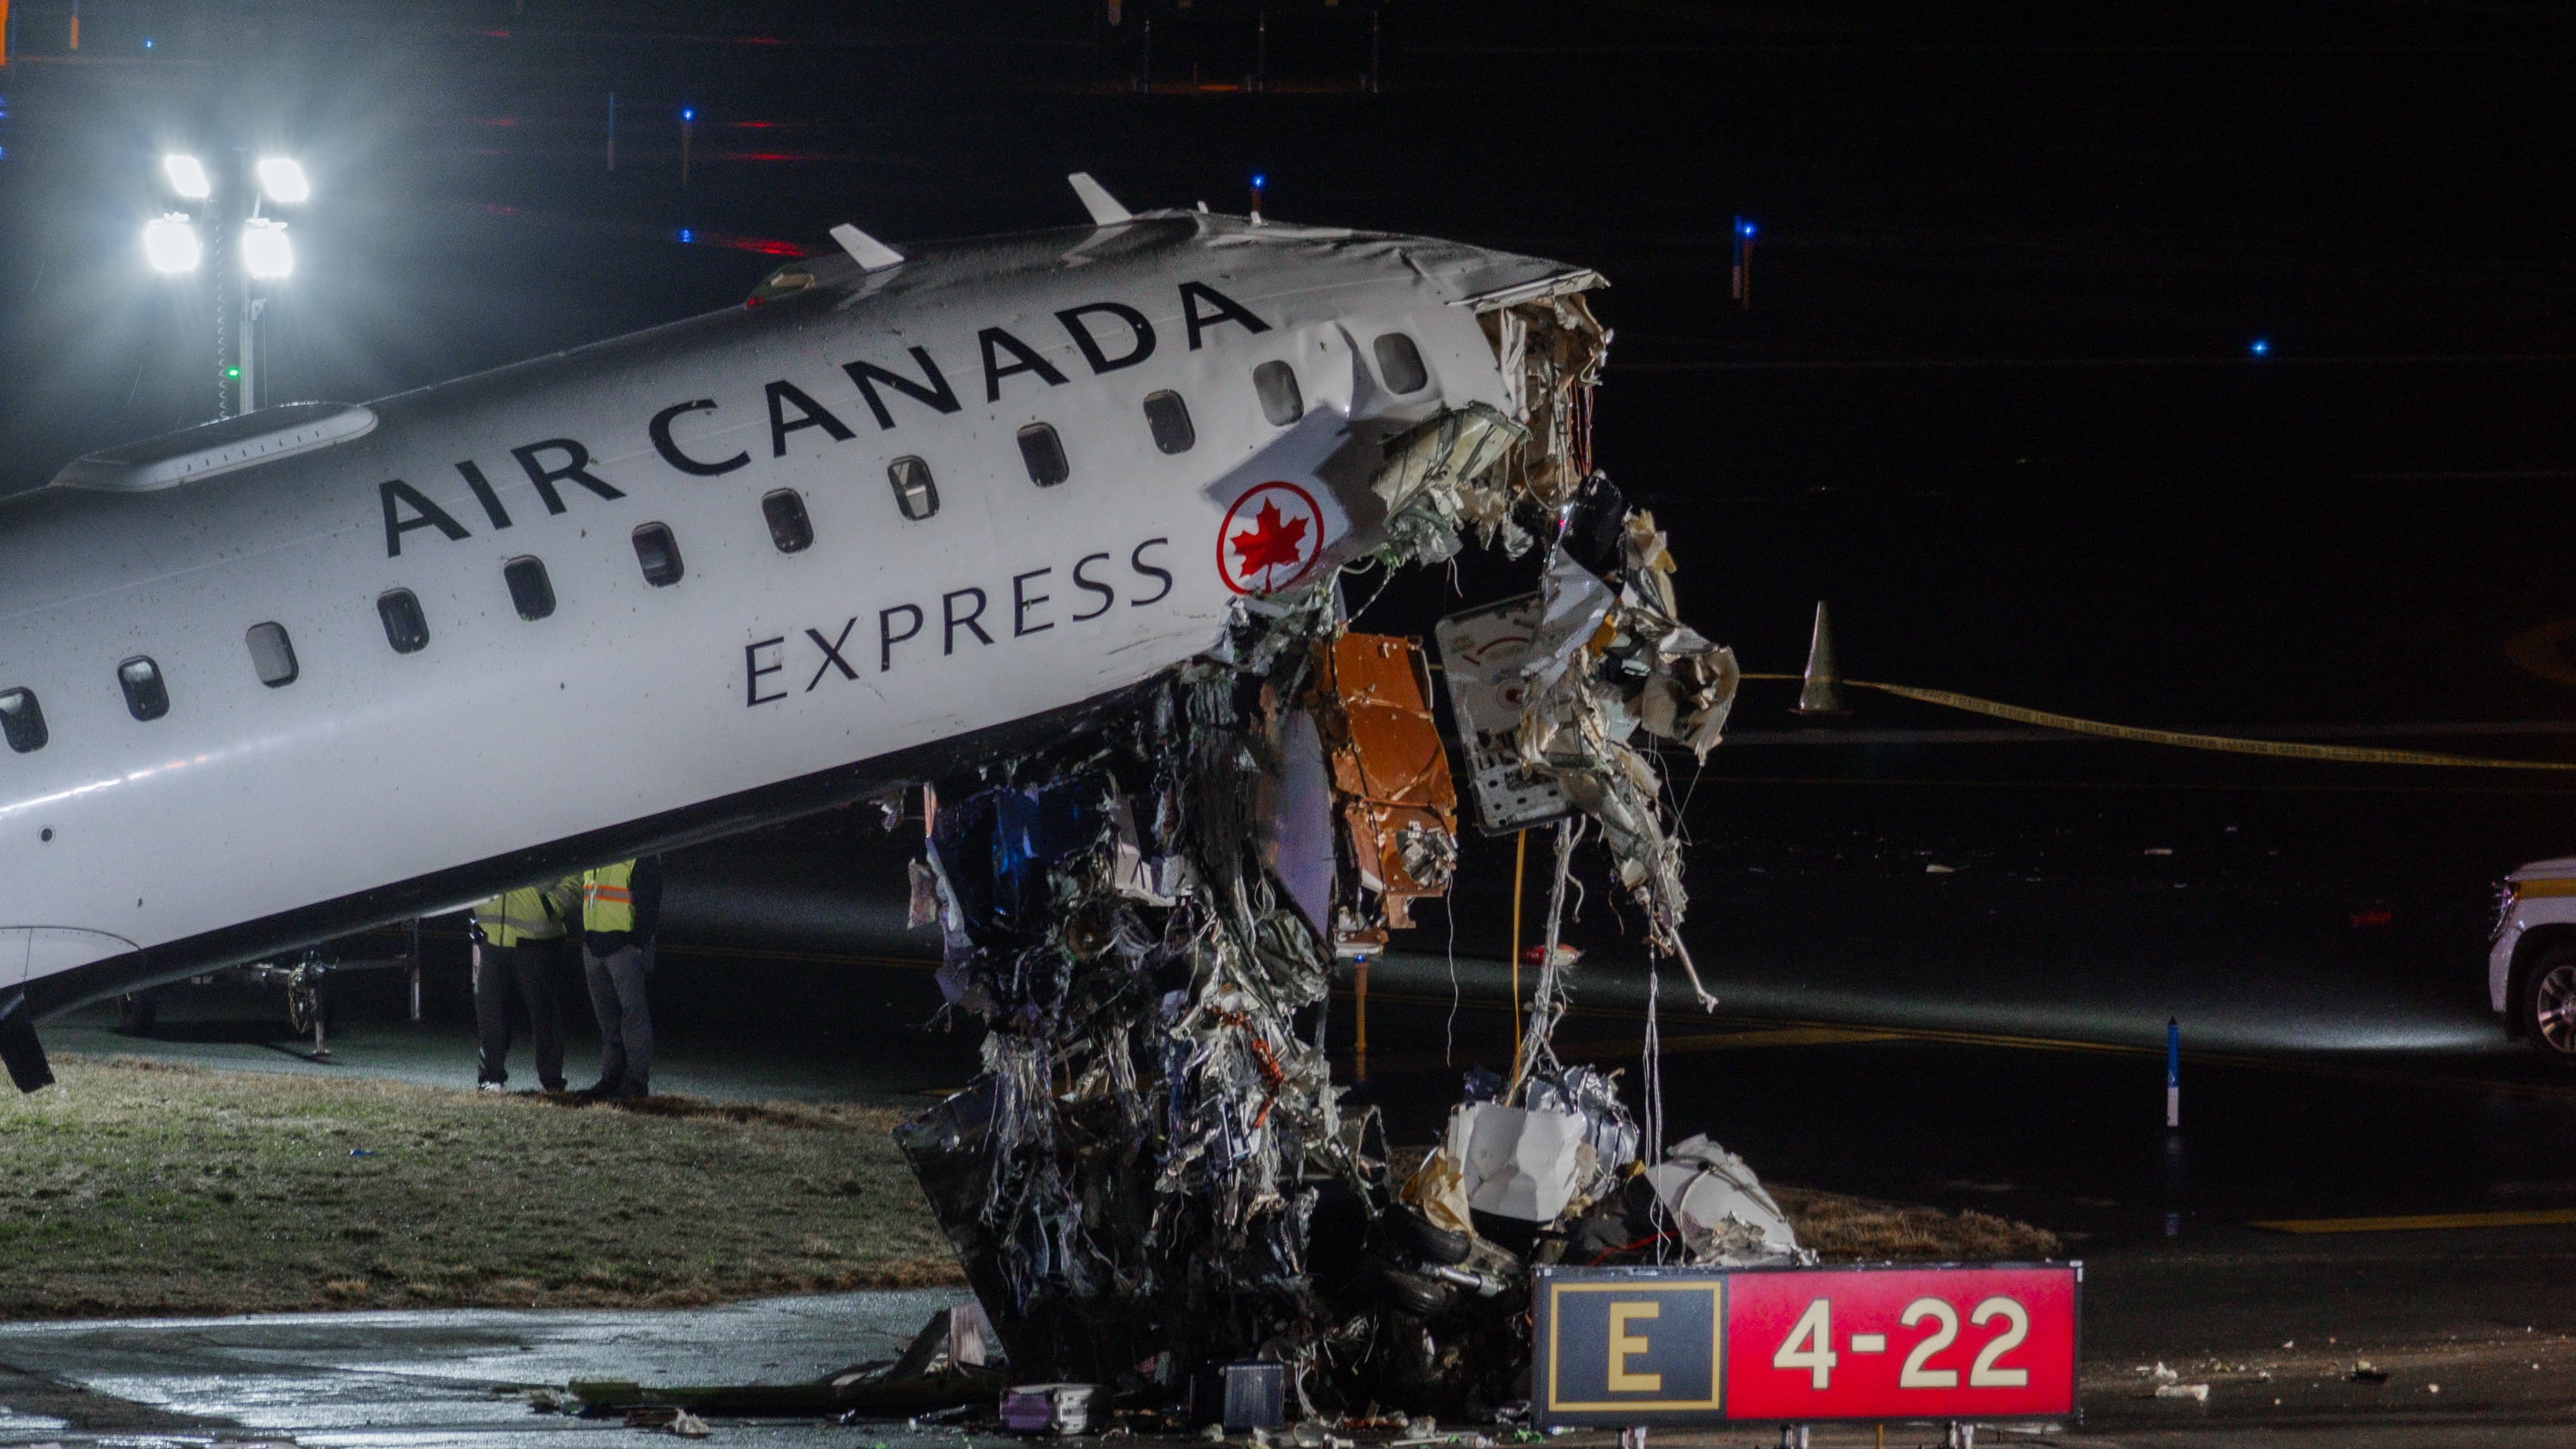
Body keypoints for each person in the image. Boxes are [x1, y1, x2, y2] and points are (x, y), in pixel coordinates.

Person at [470, 875, 579, 1093]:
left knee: (545, 1015)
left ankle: (552, 1081)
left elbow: (575, 873)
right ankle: (491, 1077)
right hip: (491, 936)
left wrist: (549, 907)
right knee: (490, 1012)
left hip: (538, 940)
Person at [578, 855, 664, 1099]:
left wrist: (638, 942)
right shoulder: (597, 855)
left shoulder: (640, 857)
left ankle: (636, 1082)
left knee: (632, 1019)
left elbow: (650, 903)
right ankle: (611, 1079)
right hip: (596, 946)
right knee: (609, 1022)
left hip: (623, 948)